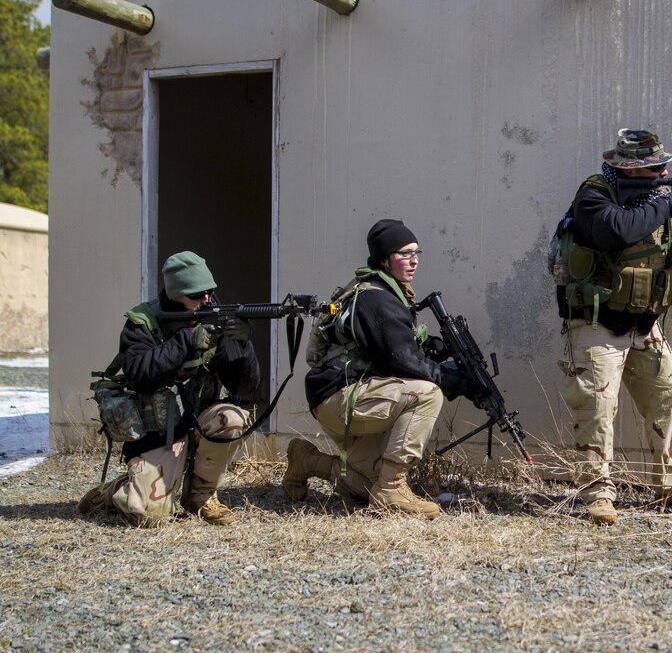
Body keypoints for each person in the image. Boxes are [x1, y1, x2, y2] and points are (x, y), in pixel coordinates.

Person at [554, 128, 672, 525]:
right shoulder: (595, 195)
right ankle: (596, 493)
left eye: (661, 167)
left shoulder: (658, 199)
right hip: (597, 322)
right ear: (629, 170)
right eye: (653, 168)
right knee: (597, 407)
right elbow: (615, 230)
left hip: (644, 324)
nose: (661, 173)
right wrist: (667, 203)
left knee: (667, 399)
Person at [283, 219, 473, 518]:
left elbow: (401, 354)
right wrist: (453, 380)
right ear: (385, 258)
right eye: (405, 254)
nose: (414, 261)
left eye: (416, 253)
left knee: (365, 486)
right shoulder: (376, 298)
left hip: (347, 396)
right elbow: (401, 360)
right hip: (341, 396)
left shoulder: (386, 292)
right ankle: (393, 490)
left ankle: (306, 461)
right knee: (428, 393)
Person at [78, 251, 260, 526]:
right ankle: (113, 493)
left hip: (201, 421)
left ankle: (200, 497)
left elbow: (245, 387)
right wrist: (187, 341)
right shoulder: (143, 323)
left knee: (232, 418)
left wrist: (243, 347)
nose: (207, 300)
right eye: (198, 295)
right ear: (177, 294)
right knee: (147, 515)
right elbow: (140, 375)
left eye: (210, 293)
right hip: (158, 433)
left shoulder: (212, 317)